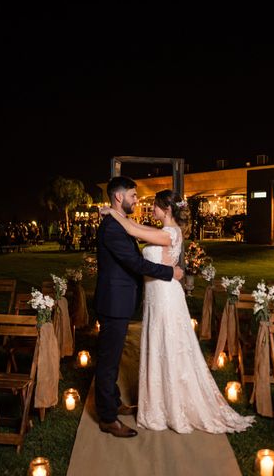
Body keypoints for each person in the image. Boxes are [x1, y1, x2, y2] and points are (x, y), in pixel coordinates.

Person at [103, 189, 255, 434]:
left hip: (165, 296)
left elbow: (132, 230)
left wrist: (111, 212)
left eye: (154, 206)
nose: (151, 209)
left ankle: (170, 406)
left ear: (167, 209)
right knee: (159, 343)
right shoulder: (163, 231)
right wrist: (119, 216)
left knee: (168, 345)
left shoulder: (171, 234)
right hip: (156, 295)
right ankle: (158, 403)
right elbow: (134, 224)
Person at [94, 176, 184, 438]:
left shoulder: (118, 223)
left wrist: (111, 212)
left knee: (112, 357)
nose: (137, 200)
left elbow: (134, 231)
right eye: (133, 196)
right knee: (108, 361)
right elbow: (136, 263)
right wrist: (170, 273)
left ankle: (112, 401)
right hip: (113, 302)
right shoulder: (112, 228)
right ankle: (108, 418)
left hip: (121, 300)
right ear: (119, 197)